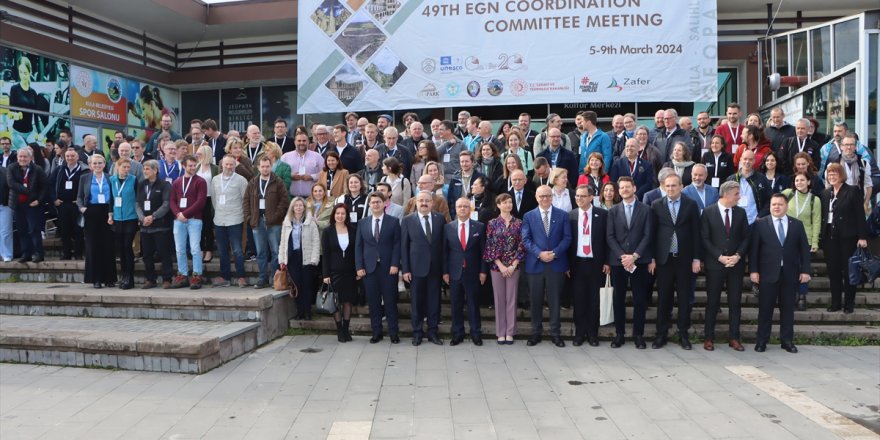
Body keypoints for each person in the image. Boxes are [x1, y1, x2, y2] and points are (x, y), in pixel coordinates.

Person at [750, 194, 811, 353]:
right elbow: (754, 250)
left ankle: (787, 341)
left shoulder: (797, 225)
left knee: (788, 309)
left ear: (786, 206)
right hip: (767, 274)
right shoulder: (761, 224)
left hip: (790, 274)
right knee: (765, 309)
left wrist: (805, 270)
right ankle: (762, 341)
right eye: (773, 204)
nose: (776, 207)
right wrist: (753, 271)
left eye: (780, 204)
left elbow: (804, 250)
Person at [649, 173, 701, 350]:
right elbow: (652, 234)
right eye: (668, 186)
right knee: (664, 299)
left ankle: (683, 334)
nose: (670, 189)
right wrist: (652, 258)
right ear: (664, 186)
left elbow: (696, 232)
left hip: (685, 260)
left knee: (685, 299)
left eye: (674, 186)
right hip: (664, 260)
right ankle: (661, 334)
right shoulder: (656, 205)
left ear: (680, 186)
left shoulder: (691, 205)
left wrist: (696, 258)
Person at [700, 181, 750, 351]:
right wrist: (719, 257)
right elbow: (705, 238)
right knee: (712, 302)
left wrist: (737, 256)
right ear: (727, 194)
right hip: (715, 264)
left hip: (735, 265)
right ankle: (708, 338)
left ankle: (734, 338)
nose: (739, 197)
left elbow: (746, 238)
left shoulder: (741, 213)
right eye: (737, 194)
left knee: (735, 302)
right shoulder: (708, 212)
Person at [521, 185, 572, 347]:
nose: (545, 199)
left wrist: (555, 253)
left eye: (548, 196)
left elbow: (567, 238)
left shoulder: (563, 216)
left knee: (555, 301)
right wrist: (539, 253)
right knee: (535, 301)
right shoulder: (528, 216)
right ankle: (536, 333)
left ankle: (555, 333)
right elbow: (526, 239)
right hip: (535, 264)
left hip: (556, 264)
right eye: (541, 196)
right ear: (536, 197)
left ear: (552, 197)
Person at [607, 177, 653, 348]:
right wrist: (622, 256)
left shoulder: (646, 210)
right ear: (619, 191)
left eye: (628, 187)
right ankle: (619, 334)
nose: (625, 190)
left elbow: (648, 235)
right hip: (618, 263)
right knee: (618, 299)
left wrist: (634, 256)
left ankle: (638, 335)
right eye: (622, 188)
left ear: (634, 188)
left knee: (640, 299)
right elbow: (610, 236)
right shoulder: (612, 211)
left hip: (639, 262)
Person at [821, 163, 869, 314]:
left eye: (835, 173)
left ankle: (849, 304)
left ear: (841, 175)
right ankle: (835, 303)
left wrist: (862, 236)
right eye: (829, 174)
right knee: (833, 271)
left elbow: (860, 215)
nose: (832, 176)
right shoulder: (825, 193)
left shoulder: (852, 191)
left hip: (848, 237)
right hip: (830, 238)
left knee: (849, 271)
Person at [355, 191, 402, 343]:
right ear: (369, 205)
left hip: (389, 268)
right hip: (369, 269)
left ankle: (394, 333)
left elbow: (397, 245)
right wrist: (359, 267)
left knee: (390, 302)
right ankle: (377, 332)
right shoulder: (363, 223)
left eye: (378, 202)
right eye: (373, 202)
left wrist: (395, 264)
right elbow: (358, 247)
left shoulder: (393, 222)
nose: (375, 204)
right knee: (374, 303)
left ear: (384, 204)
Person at [401, 191, 446, 346]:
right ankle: (417, 333)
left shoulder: (440, 219)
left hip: (435, 268)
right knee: (417, 302)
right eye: (421, 201)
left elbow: (443, 246)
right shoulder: (407, 220)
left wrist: (444, 269)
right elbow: (404, 246)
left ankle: (433, 332)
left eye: (427, 200)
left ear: (432, 203)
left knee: (434, 302)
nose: (424, 203)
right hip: (415, 268)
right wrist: (405, 269)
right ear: (416, 202)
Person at [443, 197, 488, 346]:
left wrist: (483, 271)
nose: (462, 209)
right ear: (455, 209)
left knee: (473, 304)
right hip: (454, 272)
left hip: (473, 272)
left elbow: (483, 252)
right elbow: (445, 252)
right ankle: (457, 334)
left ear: (470, 209)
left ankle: (476, 333)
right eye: (460, 206)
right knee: (456, 304)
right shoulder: (448, 227)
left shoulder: (480, 227)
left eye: (466, 206)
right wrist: (445, 272)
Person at [568, 185, 608, 346]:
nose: (579, 199)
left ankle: (592, 333)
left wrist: (607, 261)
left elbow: (608, 240)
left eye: (583, 196)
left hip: (596, 264)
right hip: (577, 264)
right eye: (577, 196)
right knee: (579, 301)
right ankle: (579, 333)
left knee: (594, 300)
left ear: (591, 197)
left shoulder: (603, 215)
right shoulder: (571, 215)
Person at [483, 193, 524, 345]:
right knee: (499, 299)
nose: (508, 205)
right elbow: (490, 245)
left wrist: (513, 265)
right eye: (504, 202)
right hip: (497, 267)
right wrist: (500, 265)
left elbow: (522, 245)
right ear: (498, 205)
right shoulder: (492, 223)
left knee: (511, 299)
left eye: (510, 202)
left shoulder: (519, 223)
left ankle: (510, 332)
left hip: (514, 266)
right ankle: (500, 332)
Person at [245, 156, 290, 289]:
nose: (265, 169)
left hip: (274, 222)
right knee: (261, 252)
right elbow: (246, 201)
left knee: (276, 251)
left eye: (267, 166)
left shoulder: (278, 181)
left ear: (271, 166)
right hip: (257, 221)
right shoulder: (253, 182)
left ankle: (275, 278)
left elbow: (284, 201)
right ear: (258, 167)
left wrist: (276, 217)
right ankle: (262, 277)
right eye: (262, 166)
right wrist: (249, 217)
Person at [782, 172, 821, 311]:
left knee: (804, 268)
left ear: (809, 182)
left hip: (806, 238)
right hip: (788, 237)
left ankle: (802, 296)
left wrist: (815, 242)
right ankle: (789, 295)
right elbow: (777, 207)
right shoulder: (788, 194)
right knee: (789, 268)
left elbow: (816, 222)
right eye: (797, 180)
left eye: (802, 180)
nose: (799, 183)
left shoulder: (814, 200)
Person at [77, 154, 116, 287]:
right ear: (90, 165)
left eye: (100, 163)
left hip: (107, 213)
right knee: (93, 246)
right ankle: (96, 279)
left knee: (108, 245)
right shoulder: (84, 178)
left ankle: (109, 278)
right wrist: (83, 209)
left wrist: (112, 212)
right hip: (91, 212)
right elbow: (80, 197)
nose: (97, 166)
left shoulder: (111, 178)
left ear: (104, 164)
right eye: (95, 163)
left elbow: (114, 196)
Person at [169, 155, 208, 289]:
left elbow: (201, 201)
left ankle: (197, 275)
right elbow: (172, 200)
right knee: (179, 249)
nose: (192, 168)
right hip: (179, 220)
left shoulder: (200, 181)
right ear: (184, 166)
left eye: (194, 165)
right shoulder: (177, 182)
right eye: (190, 165)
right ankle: (183, 274)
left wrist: (185, 214)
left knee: (195, 249)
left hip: (194, 219)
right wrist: (178, 214)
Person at [211, 155, 249, 288]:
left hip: (235, 218)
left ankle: (241, 276)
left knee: (237, 249)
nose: (229, 167)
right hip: (220, 219)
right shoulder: (215, 180)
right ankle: (225, 277)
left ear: (235, 165)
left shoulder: (241, 180)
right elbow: (214, 200)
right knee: (222, 250)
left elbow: (245, 199)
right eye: (226, 164)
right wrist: (220, 211)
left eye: (231, 164)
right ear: (222, 165)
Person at [280, 197, 320, 320]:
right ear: (292, 207)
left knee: (307, 285)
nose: (298, 207)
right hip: (292, 258)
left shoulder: (310, 222)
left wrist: (314, 258)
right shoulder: (287, 222)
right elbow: (283, 242)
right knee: (296, 286)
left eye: (300, 205)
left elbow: (316, 241)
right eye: (296, 205)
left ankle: (307, 312)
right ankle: (300, 312)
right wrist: (282, 259)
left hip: (307, 258)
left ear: (304, 207)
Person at [322, 204, 358, 342]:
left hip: (349, 272)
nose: (340, 216)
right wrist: (325, 275)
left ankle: (346, 329)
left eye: (343, 213)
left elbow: (356, 252)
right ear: (333, 215)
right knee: (335, 302)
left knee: (348, 301)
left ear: (346, 215)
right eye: (337, 213)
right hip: (333, 272)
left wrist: (357, 270)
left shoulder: (353, 230)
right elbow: (325, 254)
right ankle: (339, 330)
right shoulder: (328, 231)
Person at [8, 147, 48, 263]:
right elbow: (12, 183)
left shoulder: (37, 169)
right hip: (17, 204)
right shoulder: (12, 168)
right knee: (22, 230)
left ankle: (39, 253)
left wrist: (39, 200)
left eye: (25, 156)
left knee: (34, 229)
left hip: (32, 204)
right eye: (20, 156)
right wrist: (29, 191)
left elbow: (44, 186)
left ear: (30, 158)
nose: (22, 159)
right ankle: (26, 253)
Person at [53, 148, 87, 259]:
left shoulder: (83, 170)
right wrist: (54, 199)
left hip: (77, 205)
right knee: (64, 230)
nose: (70, 158)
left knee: (78, 230)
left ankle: (78, 254)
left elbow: (87, 188)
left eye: (72, 156)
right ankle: (66, 253)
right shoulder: (59, 170)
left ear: (77, 157)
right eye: (67, 156)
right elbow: (49, 184)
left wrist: (82, 201)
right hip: (62, 205)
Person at [110, 158, 138, 290]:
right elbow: (111, 199)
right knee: (120, 248)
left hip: (130, 217)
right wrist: (110, 214)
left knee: (127, 246)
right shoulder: (112, 180)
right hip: (117, 218)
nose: (127, 170)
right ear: (118, 167)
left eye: (128, 167)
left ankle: (130, 277)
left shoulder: (133, 180)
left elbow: (138, 198)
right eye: (124, 167)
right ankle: (123, 274)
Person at [727, 149, 771, 225]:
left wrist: (760, 216)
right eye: (745, 159)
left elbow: (770, 199)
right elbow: (725, 199)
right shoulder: (731, 179)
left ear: (754, 161)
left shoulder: (761, 178)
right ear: (740, 160)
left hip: (755, 222)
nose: (747, 162)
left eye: (750, 159)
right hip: (735, 222)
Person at [194, 145, 219, 263]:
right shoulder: (196, 167)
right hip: (198, 199)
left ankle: (209, 250)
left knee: (208, 226)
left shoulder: (215, 168)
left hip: (210, 199)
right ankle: (200, 249)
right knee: (199, 226)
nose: (197, 156)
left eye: (200, 153)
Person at [282, 132, 323, 198]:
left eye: (304, 141)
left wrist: (312, 177)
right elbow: (279, 175)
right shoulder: (285, 157)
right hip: (291, 198)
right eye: (299, 141)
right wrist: (290, 176)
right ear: (295, 142)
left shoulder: (317, 157)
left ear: (308, 142)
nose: (301, 143)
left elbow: (324, 173)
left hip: (311, 198)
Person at [0, 166, 11, 261]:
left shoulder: (5, 171)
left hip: (4, 205)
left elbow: (11, 187)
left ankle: (6, 254)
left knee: (5, 231)